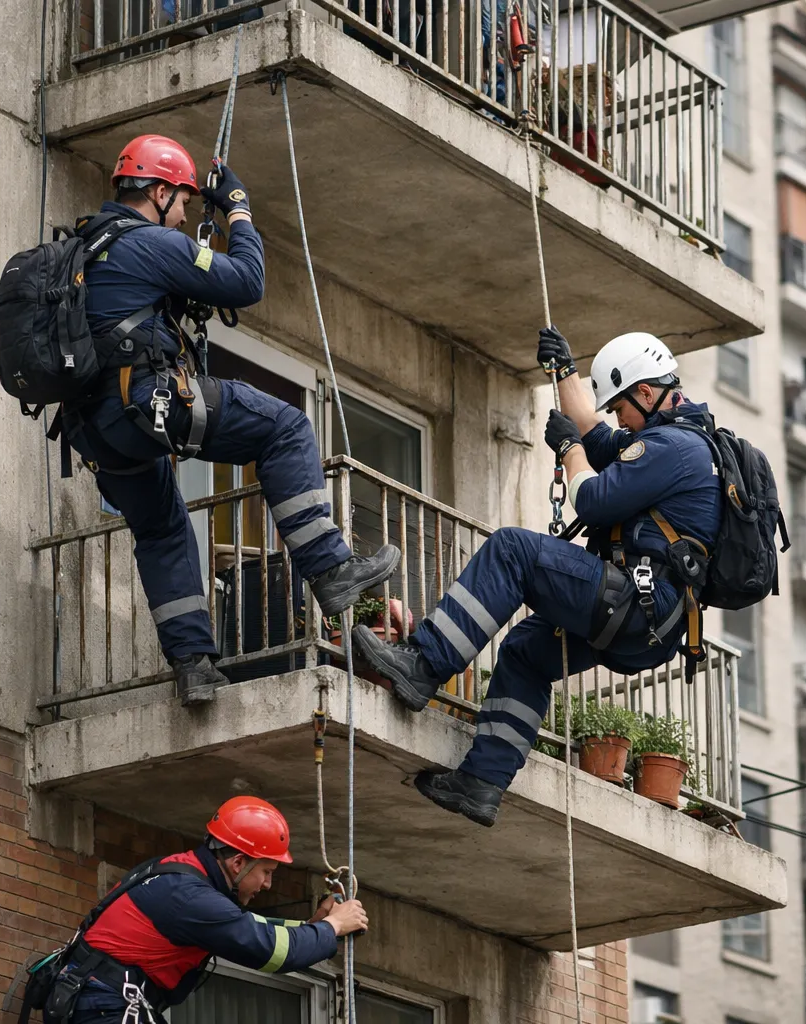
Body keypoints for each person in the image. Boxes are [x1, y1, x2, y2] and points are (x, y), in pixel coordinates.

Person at [65, 135, 400, 705]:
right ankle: (330, 568)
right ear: (161, 191)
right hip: (149, 403)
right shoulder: (149, 242)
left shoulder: (84, 247)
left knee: (162, 529)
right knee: (286, 428)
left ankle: (193, 666)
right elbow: (247, 281)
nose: (187, 214)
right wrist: (238, 207)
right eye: (186, 203)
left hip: (96, 431)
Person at [352, 327, 722, 827]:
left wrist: (569, 451)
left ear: (647, 393)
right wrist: (565, 371)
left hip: (635, 602)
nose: (619, 418)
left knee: (513, 550)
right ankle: (481, 783)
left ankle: (423, 664)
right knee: (527, 651)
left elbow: (591, 497)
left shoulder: (672, 448)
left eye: (622, 408)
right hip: (648, 624)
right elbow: (593, 430)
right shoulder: (668, 438)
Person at [47, 797, 368, 1024]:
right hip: (105, 1006)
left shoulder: (180, 874)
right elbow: (269, 949)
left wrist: (311, 926)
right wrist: (333, 927)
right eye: (266, 872)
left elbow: (246, 925)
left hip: (96, 1001)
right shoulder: (193, 898)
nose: (268, 884)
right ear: (238, 862)